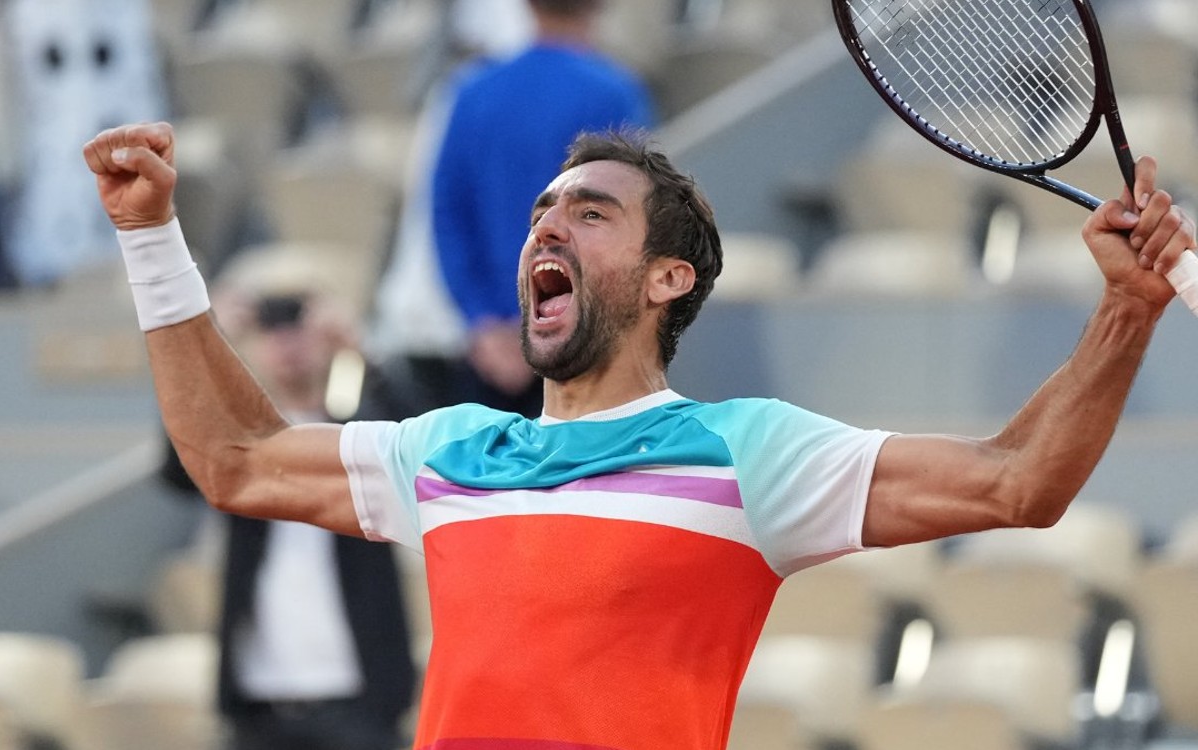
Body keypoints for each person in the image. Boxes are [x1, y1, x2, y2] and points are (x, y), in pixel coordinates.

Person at [84, 120, 1194, 750]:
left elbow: (1017, 484)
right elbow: (231, 458)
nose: (546, 227)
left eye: (588, 213)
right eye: (540, 214)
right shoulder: (452, 450)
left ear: (669, 279)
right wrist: (149, 236)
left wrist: (1127, 308)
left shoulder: (751, 451)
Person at [157, 250, 420, 750]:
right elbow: (176, 468)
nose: (287, 341)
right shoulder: (241, 446)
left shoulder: (362, 431)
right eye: (270, 325)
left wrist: (360, 350)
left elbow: (427, 452)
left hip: (361, 700)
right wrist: (211, 346)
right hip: (258, 702)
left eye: (299, 320)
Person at [430, 0, 655, 416]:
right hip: (582, 347)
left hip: (492, 351)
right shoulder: (613, 93)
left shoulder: (473, 92)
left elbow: (448, 215)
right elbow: (629, 222)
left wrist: (483, 322)